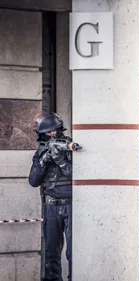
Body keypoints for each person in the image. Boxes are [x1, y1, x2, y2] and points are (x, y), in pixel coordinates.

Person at [28, 113, 72, 281]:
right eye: (49, 132)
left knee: (73, 252)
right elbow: (33, 181)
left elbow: (77, 176)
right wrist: (43, 161)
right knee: (51, 252)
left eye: (55, 131)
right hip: (51, 206)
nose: (53, 134)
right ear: (43, 135)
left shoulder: (68, 148)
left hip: (71, 205)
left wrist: (61, 160)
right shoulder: (40, 152)